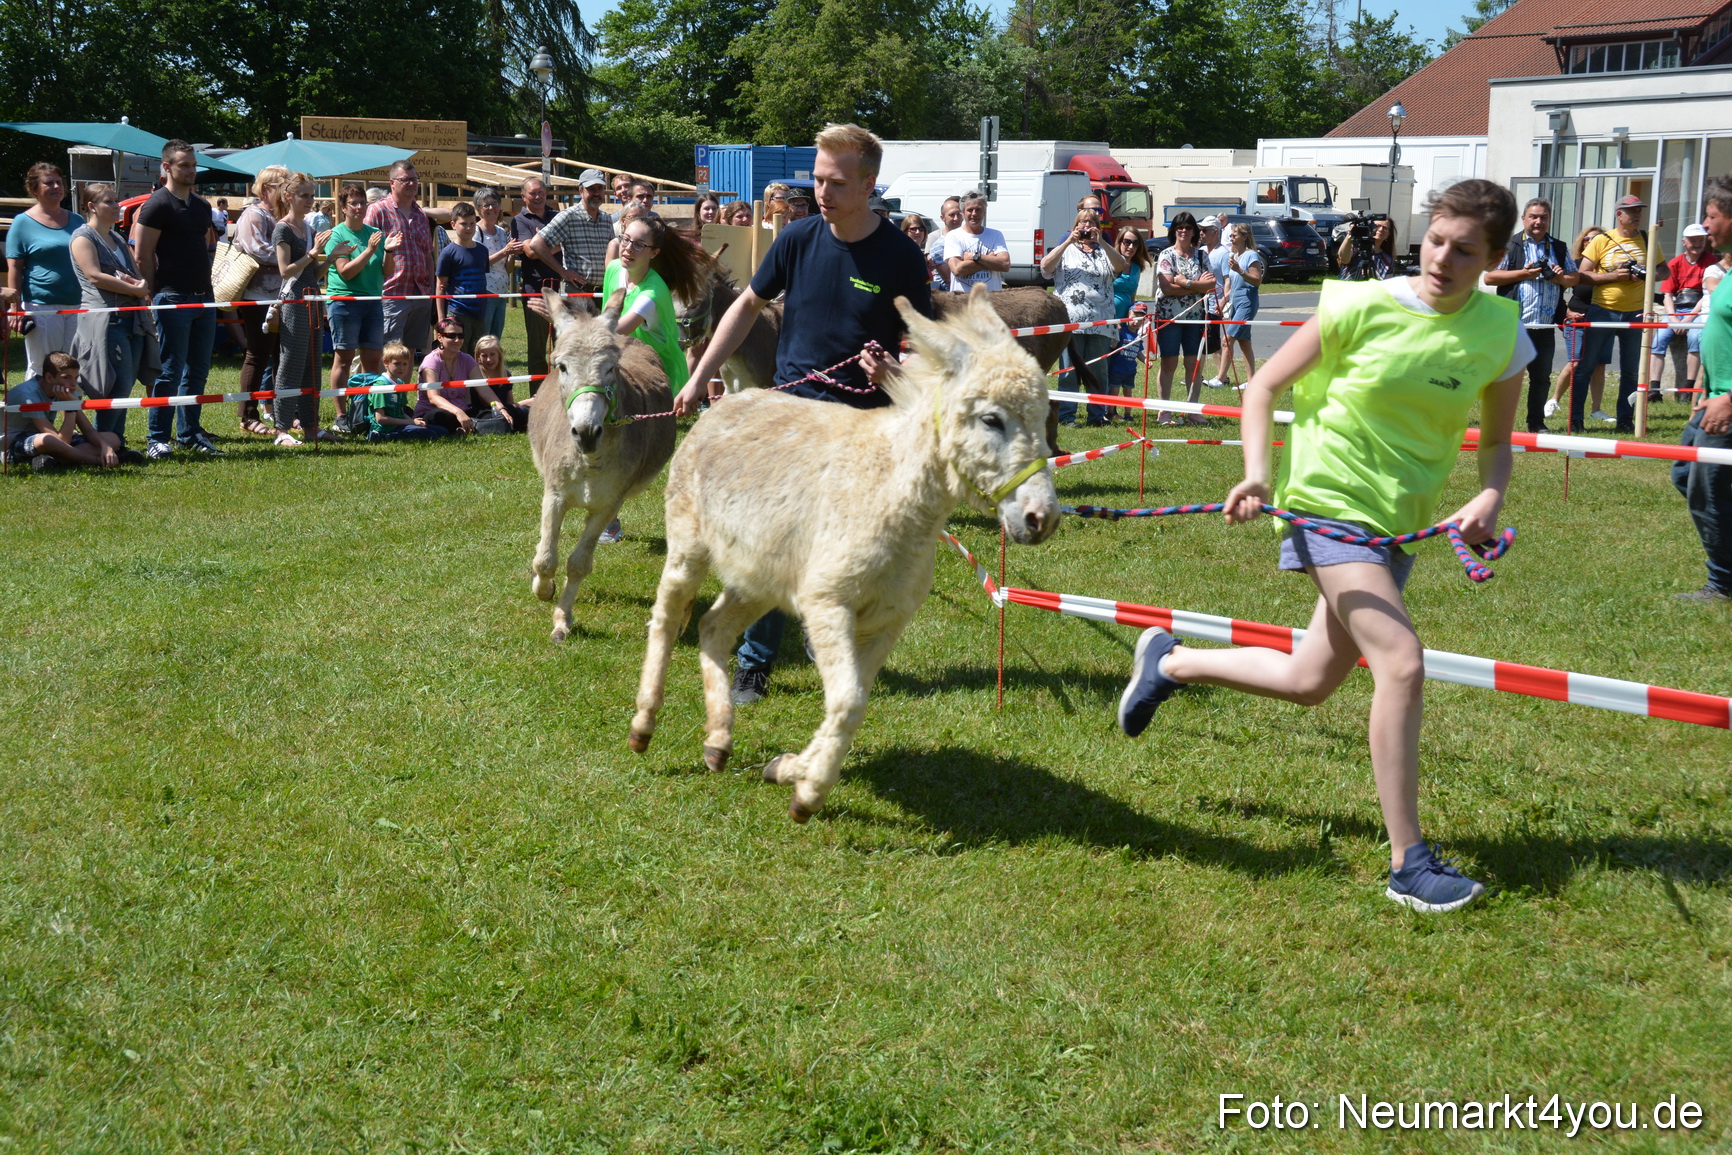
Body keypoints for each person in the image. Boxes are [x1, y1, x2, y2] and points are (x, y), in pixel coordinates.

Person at [1118, 179, 1531, 913]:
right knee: (1400, 662)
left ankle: (1171, 661)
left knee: (1312, 679)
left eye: (1465, 251)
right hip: (1325, 505)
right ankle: (1410, 862)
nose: (1443, 258)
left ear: (1494, 259)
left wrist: (1490, 494)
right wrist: (1256, 473)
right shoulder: (1358, 303)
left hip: (1396, 520)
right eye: (1436, 240)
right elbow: (1263, 387)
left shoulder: (1501, 333)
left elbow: (1497, 441)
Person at [675, 122, 934, 704]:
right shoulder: (795, 240)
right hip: (792, 414)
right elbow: (747, 306)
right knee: (776, 542)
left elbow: (927, 345)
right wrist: (700, 375)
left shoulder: (901, 257)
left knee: (853, 546)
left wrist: (893, 374)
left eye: (836, 182)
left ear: (869, 184)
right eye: (818, 180)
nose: (822, 192)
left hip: (864, 425)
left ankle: (831, 637)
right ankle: (755, 661)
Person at [134, 140, 223, 459]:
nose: (191, 170)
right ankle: (157, 437)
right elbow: (142, 256)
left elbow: (203, 249)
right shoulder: (157, 205)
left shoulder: (201, 207)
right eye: (184, 165)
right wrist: (152, 295)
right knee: (169, 371)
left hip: (204, 299)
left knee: (198, 370)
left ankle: (189, 433)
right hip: (171, 299)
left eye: (193, 164)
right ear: (167, 168)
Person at [1674, 177, 1732, 603]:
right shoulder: (1727, 267)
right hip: (1713, 395)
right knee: (1684, 475)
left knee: (1707, 488)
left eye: (1711, 216)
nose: (1705, 225)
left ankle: (1723, 583)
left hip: (1728, 402)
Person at [1483, 197, 1579, 433]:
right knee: (1505, 378)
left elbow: (1573, 277)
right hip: (1514, 324)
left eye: (1543, 217)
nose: (1539, 221)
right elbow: (1490, 277)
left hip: (1544, 326)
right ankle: (1497, 422)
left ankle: (1535, 423)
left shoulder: (1558, 247)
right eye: (1534, 216)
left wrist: (1558, 277)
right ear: (1524, 218)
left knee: (1541, 378)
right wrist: (1523, 274)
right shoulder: (1511, 245)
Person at [68, 182, 152, 445]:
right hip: (105, 319)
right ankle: (103, 442)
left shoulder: (116, 237)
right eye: (109, 202)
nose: (117, 206)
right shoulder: (83, 237)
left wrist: (140, 286)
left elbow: (135, 273)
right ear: (91, 206)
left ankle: (115, 440)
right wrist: (136, 289)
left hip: (131, 318)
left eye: (116, 200)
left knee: (125, 385)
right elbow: (94, 276)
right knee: (112, 385)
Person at [1578, 194, 1663, 433]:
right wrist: (1613, 276)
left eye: (1639, 211)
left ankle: (1625, 421)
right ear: (1619, 214)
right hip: (1602, 310)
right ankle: (1576, 420)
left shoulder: (1648, 239)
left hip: (1635, 313)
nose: (1637, 215)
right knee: (1586, 366)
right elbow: (1582, 274)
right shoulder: (1602, 240)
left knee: (1631, 370)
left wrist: (1647, 273)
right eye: (1632, 211)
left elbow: (1664, 271)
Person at [324, 182, 398, 432]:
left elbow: (387, 272)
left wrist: (388, 251)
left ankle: (367, 410)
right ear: (343, 208)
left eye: (362, 203)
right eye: (353, 203)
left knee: (373, 359)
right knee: (343, 359)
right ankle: (341, 415)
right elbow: (346, 272)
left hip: (372, 302)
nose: (359, 207)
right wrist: (369, 250)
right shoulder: (337, 235)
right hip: (344, 302)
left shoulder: (375, 231)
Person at [1042, 207, 1127, 426]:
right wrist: (1069, 240)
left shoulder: (1103, 251)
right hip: (1071, 321)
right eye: (1082, 222)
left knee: (1098, 370)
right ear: (1075, 226)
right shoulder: (1066, 248)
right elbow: (1045, 267)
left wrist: (1103, 243)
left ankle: (1097, 416)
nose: (1086, 226)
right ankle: (1066, 415)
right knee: (1070, 370)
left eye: (1091, 222)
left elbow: (1121, 266)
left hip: (1100, 320)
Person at [523, 169, 614, 373]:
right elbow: (537, 244)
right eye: (592, 189)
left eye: (600, 188)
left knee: (599, 346)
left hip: (603, 291)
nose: (597, 193)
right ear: (581, 191)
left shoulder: (607, 219)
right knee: (573, 347)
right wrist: (563, 272)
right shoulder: (568, 216)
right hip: (578, 292)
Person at [270, 173, 337, 446]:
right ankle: (281, 429)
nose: (310, 200)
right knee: (291, 365)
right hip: (294, 301)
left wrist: (331, 257)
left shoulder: (308, 230)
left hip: (312, 298)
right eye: (305, 195)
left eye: (312, 195)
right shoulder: (282, 229)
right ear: (289, 197)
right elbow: (285, 271)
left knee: (312, 366)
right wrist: (312, 253)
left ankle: (311, 426)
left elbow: (313, 273)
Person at [3, 162, 85, 380]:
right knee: (42, 367)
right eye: (49, 183)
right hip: (41, 305)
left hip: (77, 303)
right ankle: (34, 413)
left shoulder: (77, 221)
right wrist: (15, 308)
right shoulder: (22, 223)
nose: (56, 186)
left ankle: (69, 412)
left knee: (72, 366)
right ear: (34, 189)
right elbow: (15, 268)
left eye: (59, 182)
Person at [230, 166, 290, 435]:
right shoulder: (253, 215)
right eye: (283, 186)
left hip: (282, 295)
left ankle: (282, 414)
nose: (288, 191)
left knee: (281, 355)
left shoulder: (280, 216)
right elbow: (258, 251)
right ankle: (247, 415)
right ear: (267, 188)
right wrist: (293, 257)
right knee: (258, 354)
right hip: (257, 296)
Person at [4, 352, 137, 471]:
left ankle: (53, 460)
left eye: (75, 377)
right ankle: (97, 461)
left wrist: (105, 447)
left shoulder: (65, 391)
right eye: (66, 377)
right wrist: (70, 409)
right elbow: (62, 440)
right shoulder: (29, 395)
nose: (73, 383)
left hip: (51, 443)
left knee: (112, 439)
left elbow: (88, 430)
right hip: (10, 445)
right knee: (47, 440)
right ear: (49, 378)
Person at [365, 160, 437, 360]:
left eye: (414, 180)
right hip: (391, 292)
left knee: (409, 354)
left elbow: (427, 255)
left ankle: (402, 393)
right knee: (389, 354)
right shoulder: (377, 211)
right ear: (392, 183)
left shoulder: (421, 214)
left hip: (420, 292)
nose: (412, 184)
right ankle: (384, 392)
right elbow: (366, 252)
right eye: (405, 180)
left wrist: (430, 291)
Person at [1544, 225, 1612, 428]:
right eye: (1587, 239)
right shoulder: (1575, 266)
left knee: (1599, 365)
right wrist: (1566, 313)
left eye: (1597, 239)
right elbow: (1557, 290)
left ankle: (1596, 410)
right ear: (1582, 243)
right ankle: (1554, 399)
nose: (1591, 242)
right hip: (1577, 320)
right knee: (1576, 363)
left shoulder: (1608, 268)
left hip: (1602, 320)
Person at [1153, 211, 1215, 425]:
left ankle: (1193, 410)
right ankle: (1165, 410)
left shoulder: (1201, 256)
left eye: (1188, 227)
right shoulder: (1166, 255)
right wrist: (1197, 287)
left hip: (1196, 317)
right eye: (1179, 227)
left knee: (1194, 364)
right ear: (1174, 230)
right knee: (1169, 363)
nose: (1184, 231)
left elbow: (1211, 284)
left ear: (1194, 232)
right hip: (1169, 317)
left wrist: (1185, 283)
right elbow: (1166, 287)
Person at [1651, 222, 1718, 400]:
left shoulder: (1711, 263)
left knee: (1695, 338)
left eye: (1700, 240)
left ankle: (1688, 388)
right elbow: (1667, 295)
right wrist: (1673, 318)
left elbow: (1706, 296)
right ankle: (1654, 389)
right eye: (1693, 240)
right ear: (1684, 242)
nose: (1697, 244)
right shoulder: (1675, 263)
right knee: (1658, 340)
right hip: (1677, 308)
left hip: (1699, 309)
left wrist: (1688, 319)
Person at [415, 317, 517, 433]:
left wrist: (501, 408)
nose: (457, 340)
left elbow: (483, 388)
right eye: (452, 336)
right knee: (440, 416)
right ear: (440, 337)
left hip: (465, 412)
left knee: (495, 413)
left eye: (461, 336)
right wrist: (457, 412)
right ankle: (474, 427)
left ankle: (469, 427)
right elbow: (433, 397)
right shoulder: (431, 362)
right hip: (434, 411)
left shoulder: (467, 359)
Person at [510, 174, 560, 389]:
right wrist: (557, 244)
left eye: (541, 192)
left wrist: (542, 244)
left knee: (564, 343)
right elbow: (530, 252)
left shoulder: (557, 216)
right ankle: (537, 397)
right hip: (535, 290)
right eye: (533, 193)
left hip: (561, 288)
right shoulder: (519, 221)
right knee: (538, 348)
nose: (538, 196)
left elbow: (541, 247)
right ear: (524, 196)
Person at [1203, 222, 1265, 391]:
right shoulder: (1235, 256)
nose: (1231, 238)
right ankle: (1252, 381)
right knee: (1245, 343)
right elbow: (1234, 284)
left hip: (1247, 303)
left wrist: (1239, 270)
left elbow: (1257, 280)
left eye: (1234, 235)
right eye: (1230, 235)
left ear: (1245, 237)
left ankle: (1221, 378)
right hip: (1236, 302)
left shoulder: (1251, 255)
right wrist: (1223, 300)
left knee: (1226, 340)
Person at [435, 202, 491, 351]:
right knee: (458, 353)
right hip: (458, 311)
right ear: (453, 224)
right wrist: (441, 319)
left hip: (479, 311)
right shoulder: (448, 253)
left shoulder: (482, 251)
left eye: (472, 223)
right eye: (463, 224)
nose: (468, 228)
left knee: (478, 353)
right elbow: (440, 287)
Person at [366, 341, 449, 442]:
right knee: (428, 434)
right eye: (397, 364)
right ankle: (382, 437)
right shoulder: (381, 386)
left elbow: (400, 411)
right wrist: (410, 422)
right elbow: (380, 419)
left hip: (400, 423)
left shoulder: (400, 383)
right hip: (386, 428)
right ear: (386, 363)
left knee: (443, 431)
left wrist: (411, 421)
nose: (402, 368)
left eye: (405, 364)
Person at [1106, 227, 1150, 413]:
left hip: (1124, 324)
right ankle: (1105, 408)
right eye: (1127, 242)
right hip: (1108, 320)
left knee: (1118, 364)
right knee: (1106, 364)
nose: (1130, 246)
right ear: (1119, 242)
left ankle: (1113, 408)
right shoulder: (1110, 263)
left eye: (1135, 243)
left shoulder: (1136, 268)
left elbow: (1132, 297)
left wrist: (1133, 320)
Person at [943, 190, 1010, 292]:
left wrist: (975, 256)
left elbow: (1005, 264)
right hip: (963, 302)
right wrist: (989, 259)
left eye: (978, 209)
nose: (974, 214)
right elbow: (957, 269)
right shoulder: (953, 236)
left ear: (984, 212)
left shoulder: (996, 235)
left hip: (992, 301)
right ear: (963, 213)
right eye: (970, 210)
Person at [473, 190, 513, 339]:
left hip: (502, 292)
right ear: (478, 209)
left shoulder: (502, 232)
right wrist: (505, 251)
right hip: (485, 291)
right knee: (483, 337)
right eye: (486, 205)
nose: (491, 208)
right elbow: (478, 265)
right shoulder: (475, 232)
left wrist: (512, 253)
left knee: (496, 338)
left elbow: (507, 269)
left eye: (494, 204)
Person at [1336, 216, 1400, 281]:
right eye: (1377, 226)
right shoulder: (1356, 249)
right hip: (1349, 289)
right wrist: (1350, 235)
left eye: (1385, 228)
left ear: (1389, 234)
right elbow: (1344, 258)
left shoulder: (1387, 259)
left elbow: (1387, 284)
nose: (1380, 229)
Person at [928, 196, 962, 291]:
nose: (956, 218)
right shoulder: (939, 246)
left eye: (959, 214)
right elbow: (950, 278)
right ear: (943, 218)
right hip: (949, 297)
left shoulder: (967, 239)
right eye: (952, 215)